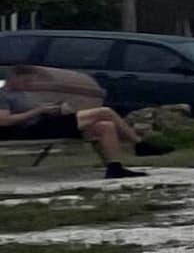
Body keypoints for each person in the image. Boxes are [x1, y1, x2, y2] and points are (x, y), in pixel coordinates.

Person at [0, 65, 149, 180]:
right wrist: (37, 111)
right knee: (105, 112)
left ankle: (114, 168)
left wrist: (55, 109)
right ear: (13, 78)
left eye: (31, 81)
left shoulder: (23, 93)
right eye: (26, 81)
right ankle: (140, 145)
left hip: (45, 123)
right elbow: (4, 121)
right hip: (28, 129)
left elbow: (39, 110)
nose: (30, 84)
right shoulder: (3, 95)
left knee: (105, 126)